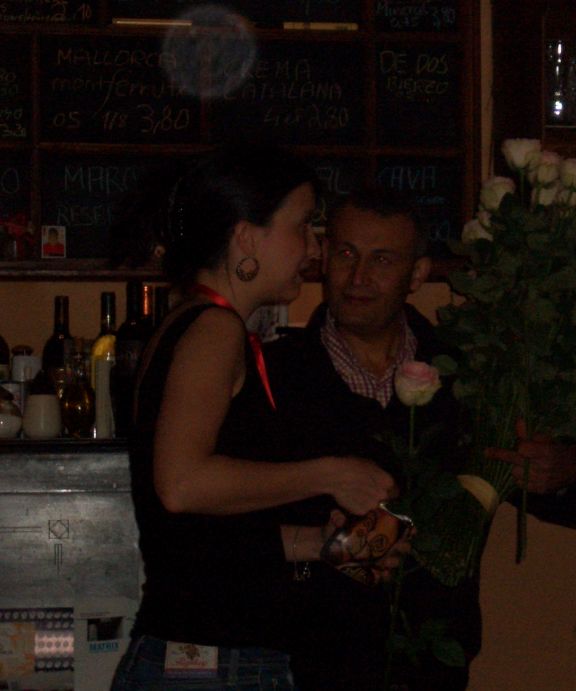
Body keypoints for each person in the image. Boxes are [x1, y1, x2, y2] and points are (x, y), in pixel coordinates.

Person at [265, 187, 576, 690]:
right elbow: (227, 527)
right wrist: (324, 545)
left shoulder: (467, 375)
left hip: (433, 662)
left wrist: (561, 472)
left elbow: (559, 489)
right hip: (302, 663)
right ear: (322, 258)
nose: (358, 277)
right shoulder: (273, 375)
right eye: (345, 253)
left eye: (382, 259)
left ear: (417, 274)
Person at [109, 146, 399, 689]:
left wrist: (318, 544)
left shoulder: (201, 324)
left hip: (208, 661)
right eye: (302, 225)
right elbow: (182, 484)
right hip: (213, 666)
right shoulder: (214, 329)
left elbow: (200, 537)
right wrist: (331, 474)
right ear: (246, 237)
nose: (314, 247)